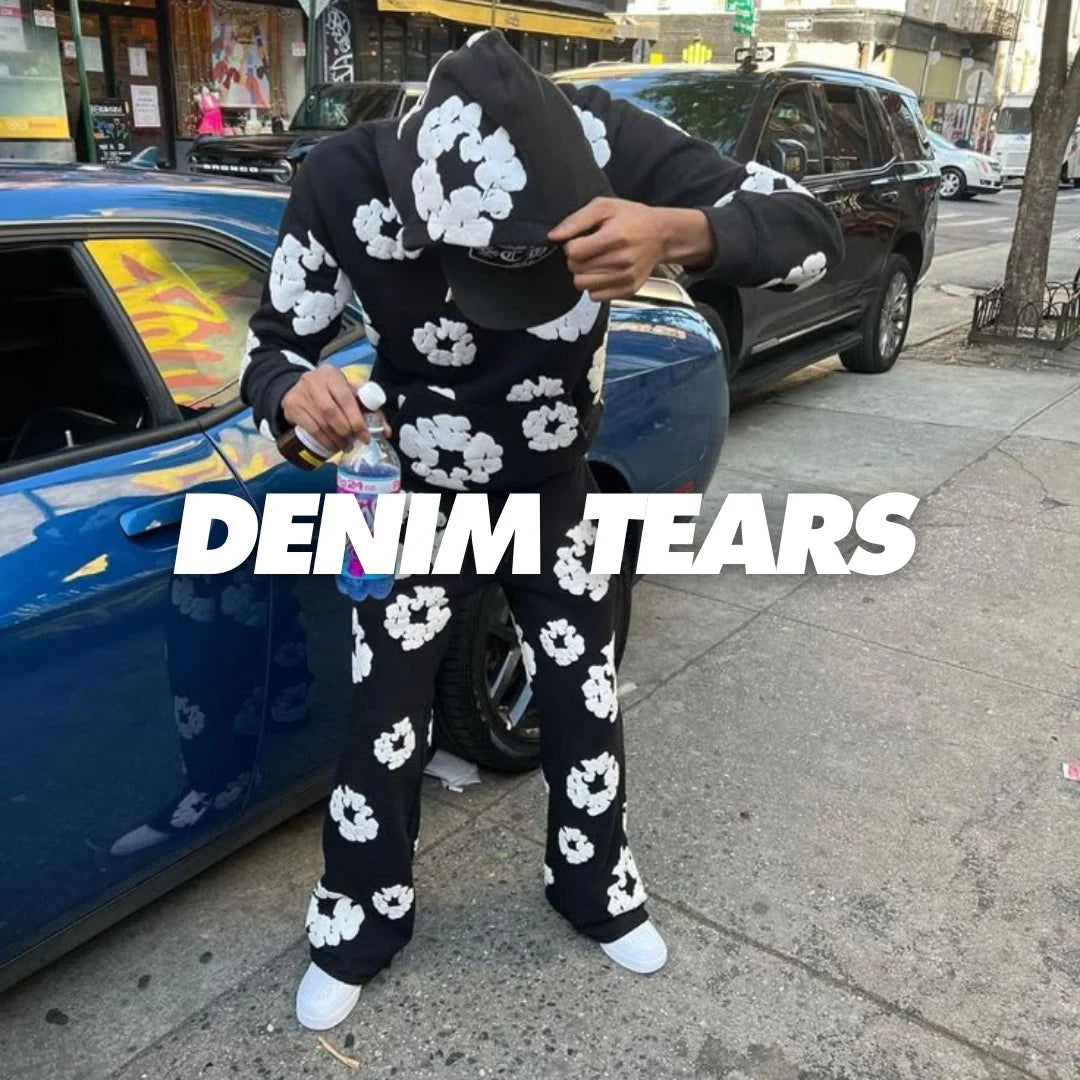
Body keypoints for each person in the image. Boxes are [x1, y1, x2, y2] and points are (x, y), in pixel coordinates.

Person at [241, 30, 843, 1031]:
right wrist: (291, 392)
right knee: (383, 715)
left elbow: (810, 233)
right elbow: (272, 348)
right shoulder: (342, 176)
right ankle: (358, 918)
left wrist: (677, 231)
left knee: (581, 692)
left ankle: (593, 884)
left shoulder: (604, 136)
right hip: (404, 487)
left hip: (554, 480)